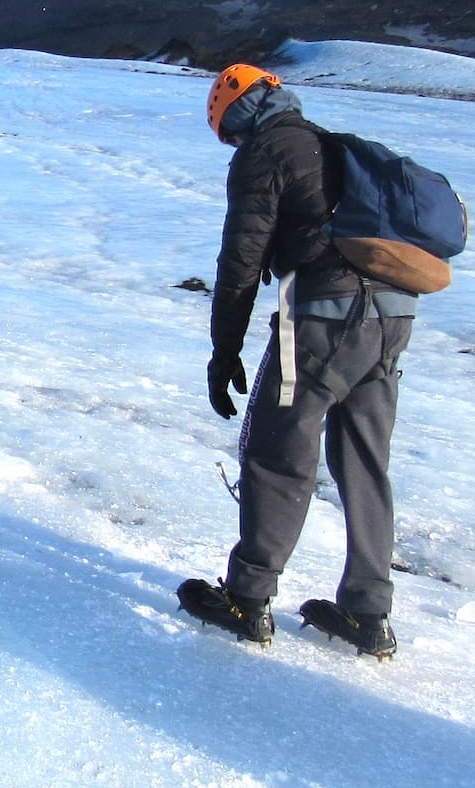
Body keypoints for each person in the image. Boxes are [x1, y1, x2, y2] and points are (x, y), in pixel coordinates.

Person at [176, 64, 416, 658]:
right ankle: (369, 612)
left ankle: (247, 598)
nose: (233, 145)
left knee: (276, 449)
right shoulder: (331, 147)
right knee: (365, 462)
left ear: (236, 117)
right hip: (391, 318)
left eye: (229, 135)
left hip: (323, 320)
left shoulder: (266, 153)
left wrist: (224, 351)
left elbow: (241, 261)